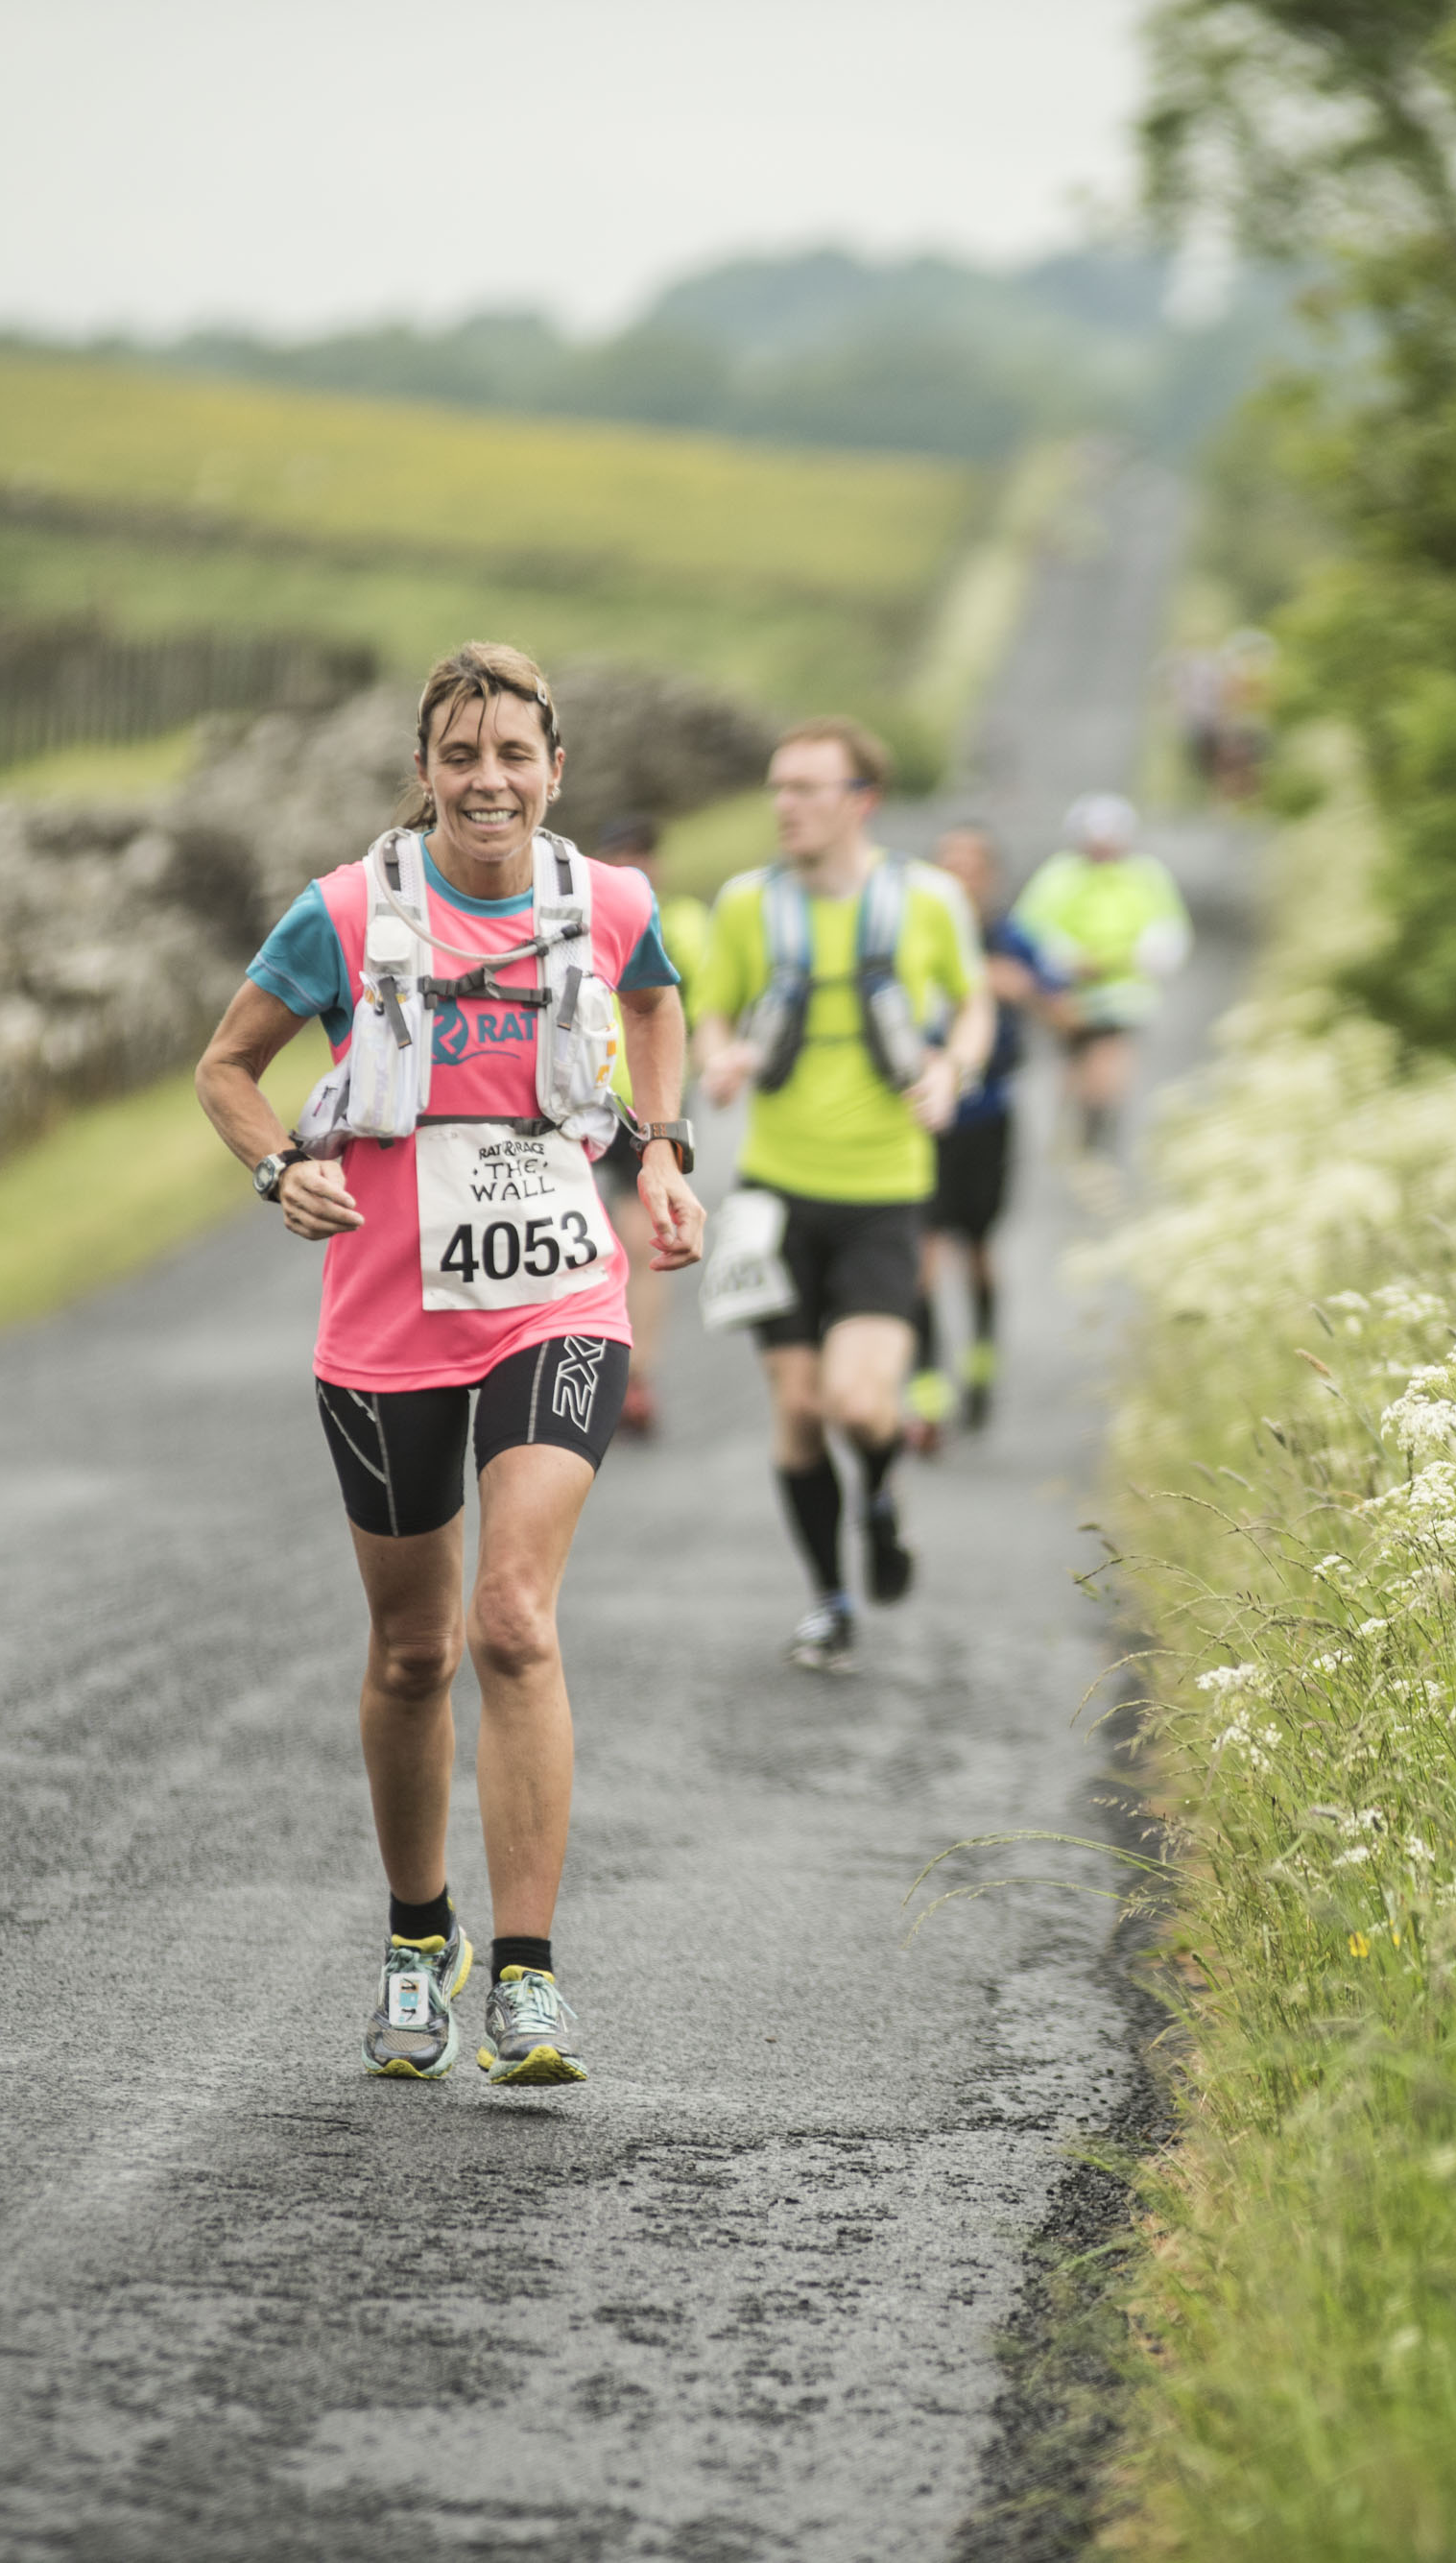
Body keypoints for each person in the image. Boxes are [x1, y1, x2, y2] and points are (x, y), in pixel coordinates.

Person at [193, 644, 704, 2091]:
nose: (490, 780)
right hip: (384, 1323)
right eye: (461, 755)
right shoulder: (348, 912)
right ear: (424, 771)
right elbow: (227, 1066)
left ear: (557, 770)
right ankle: (423, 1941)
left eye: (515, 756)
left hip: (557, 1301)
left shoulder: (607, 902)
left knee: (513, 1619)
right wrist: (279, 1164)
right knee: (414, 1648)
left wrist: (659, 1150)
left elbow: (657, 1003)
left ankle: (528, 1982)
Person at [691, 717, 991, 1672]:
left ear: (860, 801)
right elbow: (713, 1009)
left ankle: (879, 1498)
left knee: (862, 1406)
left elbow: (974, 1003)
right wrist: (721, 1061)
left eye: (807, 788)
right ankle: (829, 1598)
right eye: (777, 787)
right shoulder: (747, 905)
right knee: (797, 1406)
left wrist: (950, 1072)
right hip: (771, 1196)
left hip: (882, 1192)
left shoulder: (927, 900)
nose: (785, 805)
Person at [904, 821, 1060, 1443]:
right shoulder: (911, 931)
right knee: (923, 1252)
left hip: (988, 1115)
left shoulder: (1011, 936)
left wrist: (1019, 988)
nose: (959, 876)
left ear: (989, 876)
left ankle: (982, 1363)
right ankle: (928, 1387)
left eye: (970, 866)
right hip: (921, 1116)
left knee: (978, 1251)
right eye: (948, 864)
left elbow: (1061, 1008)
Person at [585, 816, 712, 1437]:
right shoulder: (583, 917)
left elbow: (700, 1002)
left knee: (640, 1244)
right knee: (588, 1243)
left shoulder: (682, 922)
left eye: (642, 855)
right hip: (584, 1102)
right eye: (620, 856)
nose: (633, 866)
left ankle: (636, 1377)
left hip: (645, 1113)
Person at [1012, 791, 1190, 1161]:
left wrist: (1144, 956)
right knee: (1075, 1064)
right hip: (1069, 993)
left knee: (1108, 1068)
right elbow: (1029, 929)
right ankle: (1075, 1132)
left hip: (1124, 994)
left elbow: (1168, 930)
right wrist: (1065, 960)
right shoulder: (1059, 876)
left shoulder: (1145, 875)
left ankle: (1092, 1138)